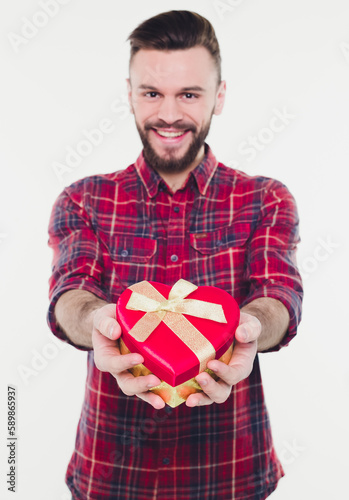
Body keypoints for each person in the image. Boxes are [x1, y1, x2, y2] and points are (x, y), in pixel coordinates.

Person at [47, 10, 303, 500]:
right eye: (151, 93)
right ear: (129, 95)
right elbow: (69, 294)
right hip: (112, 475)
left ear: (219, 96)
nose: (168, 114)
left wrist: (245, 330)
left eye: (189, 94)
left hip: (231, 474)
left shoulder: (265, 199)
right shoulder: (84, 199)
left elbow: (278, 295)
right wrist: (100, 319)